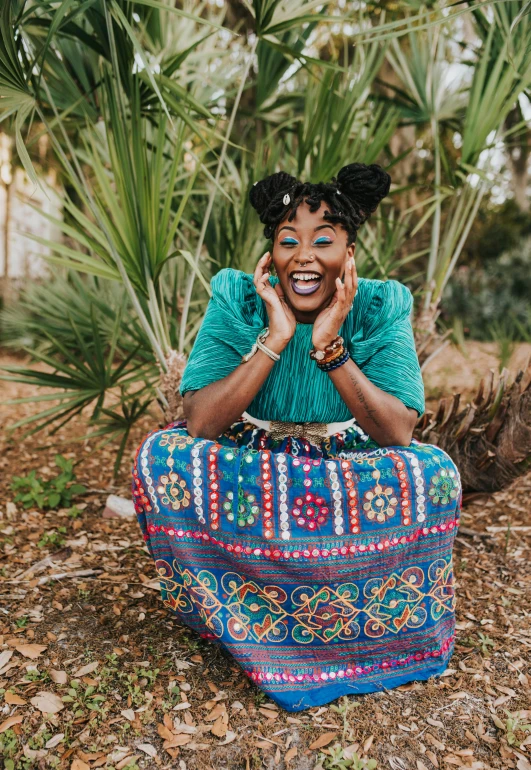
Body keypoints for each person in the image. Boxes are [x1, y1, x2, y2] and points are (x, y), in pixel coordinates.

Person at [133, 162, 461, 712]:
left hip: (344, 463)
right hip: (252, 458)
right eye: (289, 240)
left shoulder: (382, 305)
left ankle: (370, 622)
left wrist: (330, 341)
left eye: (323, 240)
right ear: (272, 256)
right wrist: (277, 335)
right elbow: (203, 423)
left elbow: (398, 431)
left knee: (434, 475)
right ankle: (231, 611)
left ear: (348, 254)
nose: (304, 255)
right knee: (162, 456)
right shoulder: (237, 297)